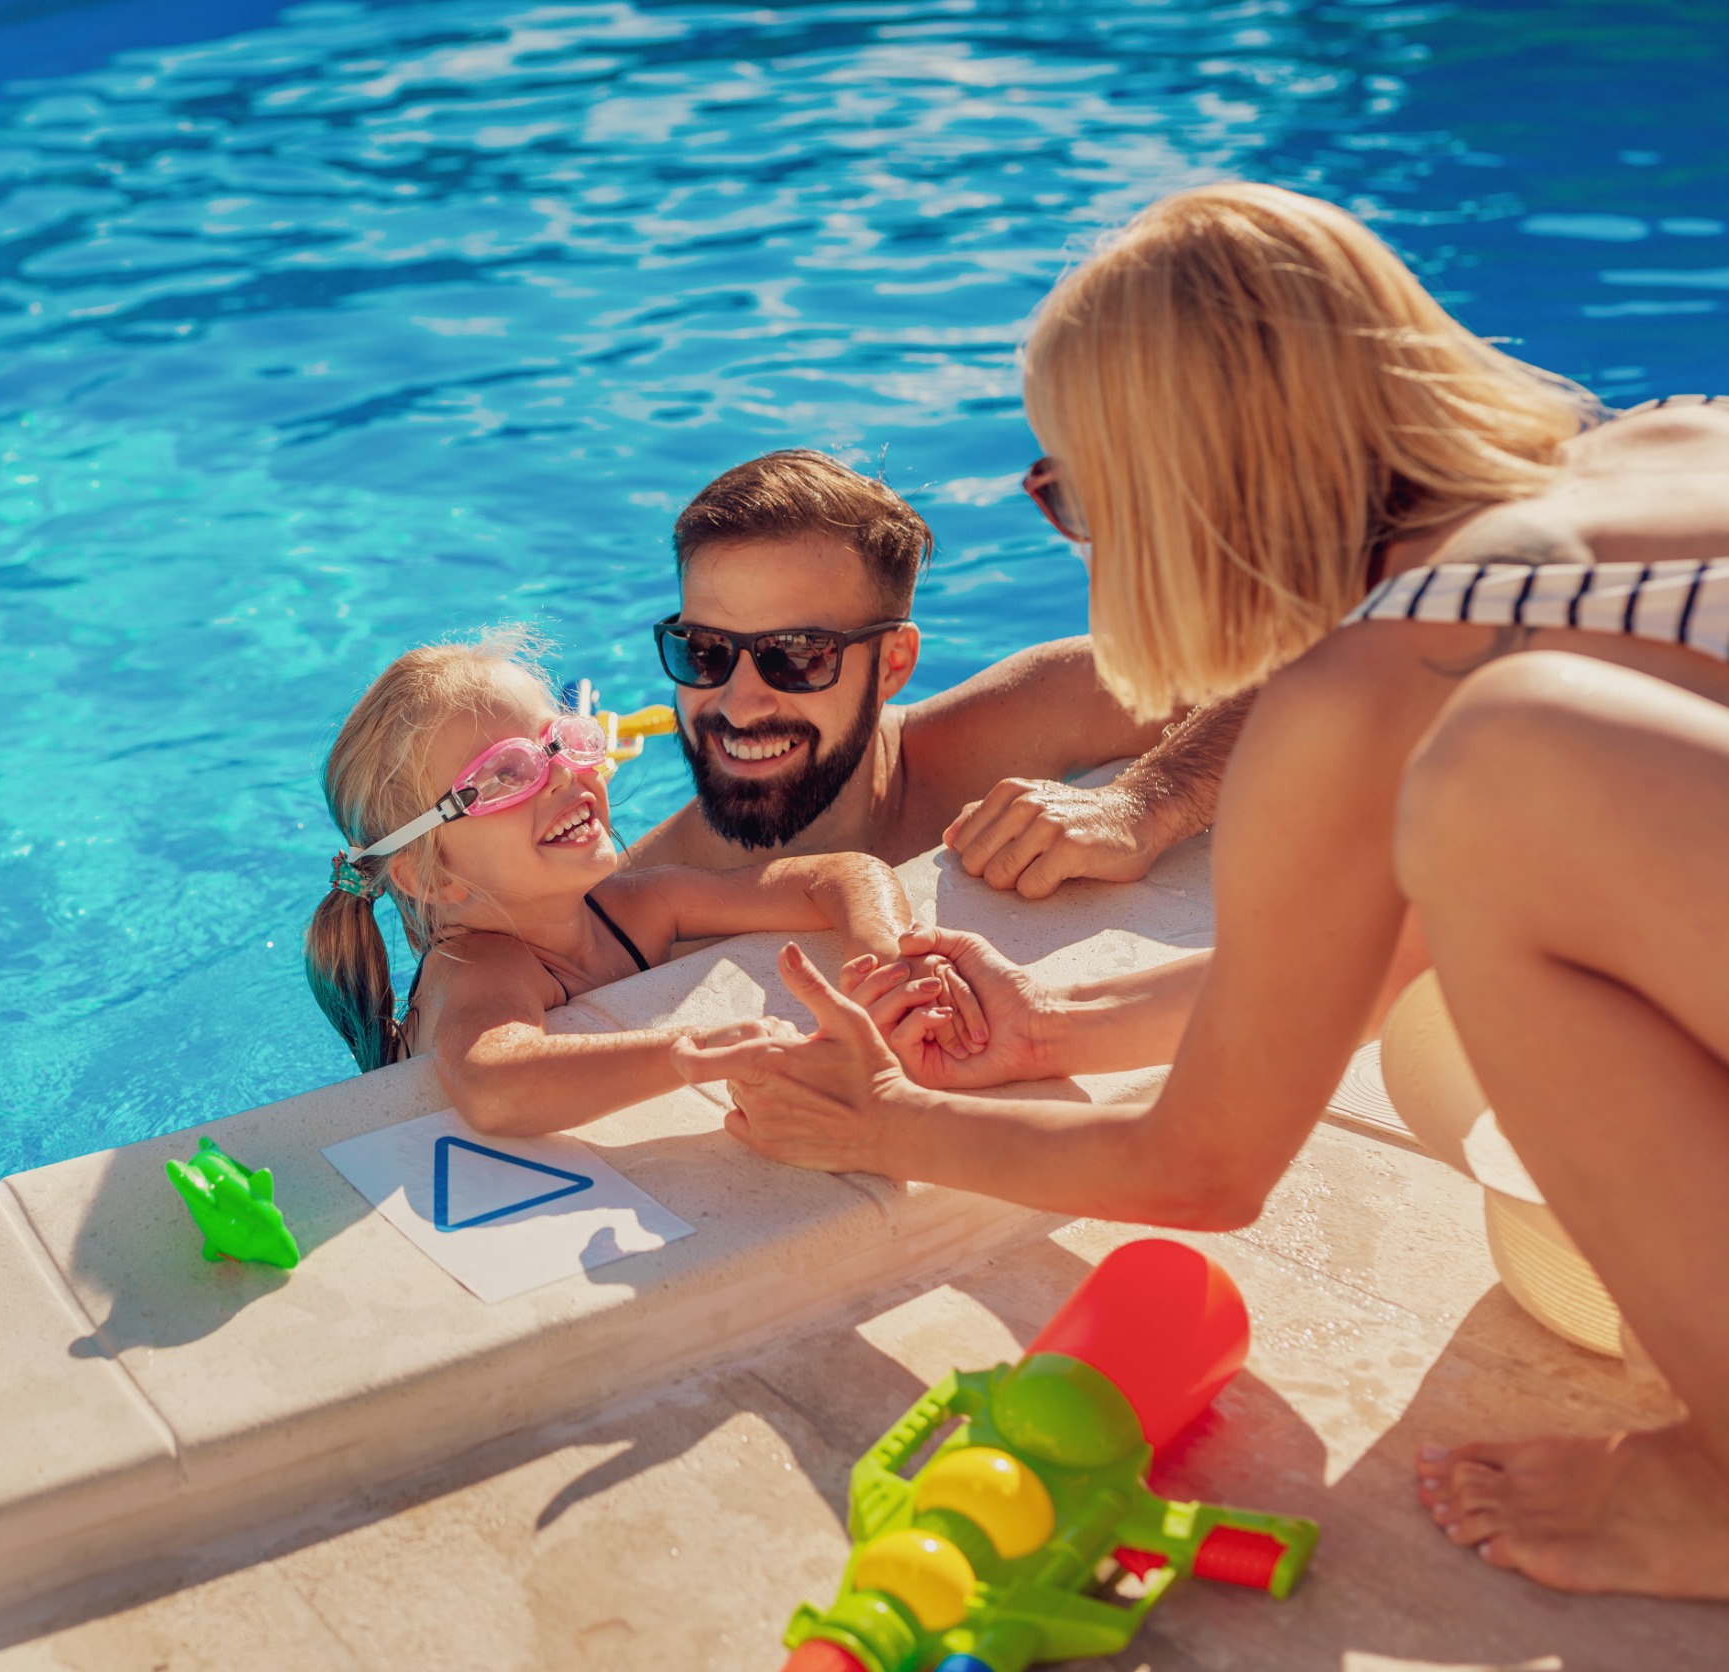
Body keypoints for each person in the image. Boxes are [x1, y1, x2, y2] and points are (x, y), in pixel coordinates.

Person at [671, 182, 1729, 1600]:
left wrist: (895, 1122)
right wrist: (1051, 1029)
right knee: (1501, 835)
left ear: (1174, 489)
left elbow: (1207, 1167)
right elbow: (1482, 913)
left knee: (1501, 777)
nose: (1069, 529)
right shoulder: (1665, 448)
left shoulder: (1375, 692)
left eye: (1065, 490)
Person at [302, 627, 980, 1135]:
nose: (566, 774)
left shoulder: (633, 906)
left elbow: (840, 875)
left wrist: (888, 961)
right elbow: (493, 1084)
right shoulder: (480, 968)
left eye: (562, 739)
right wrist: (697, 1050)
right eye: (505, 775)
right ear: (429, 874)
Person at [621, 448, 1253, 895]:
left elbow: (1304, 671)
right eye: (703, 650)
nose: (738, 704)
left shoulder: (1014, 724)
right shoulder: (623, 902)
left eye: (796, 653)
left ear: (894, 663)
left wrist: (1144, 806)